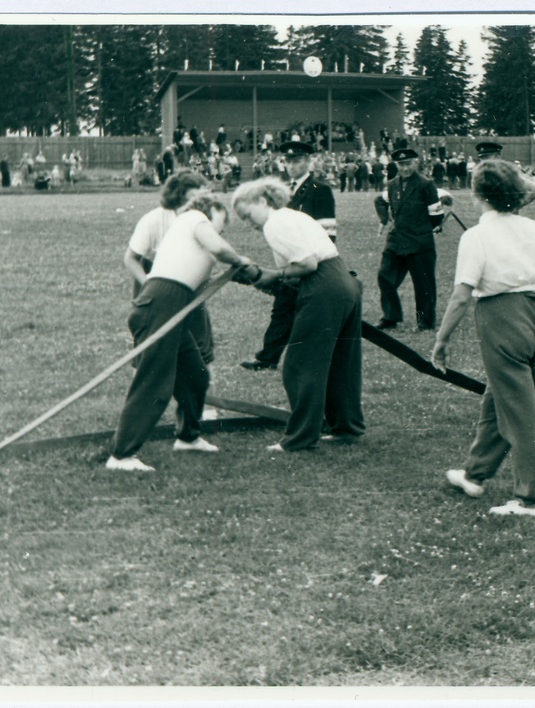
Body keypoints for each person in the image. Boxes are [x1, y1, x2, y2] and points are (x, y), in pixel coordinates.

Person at [431, 159, 535, 518]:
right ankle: (475, 473)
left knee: (520, 412)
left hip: (500, 318)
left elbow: (462, 296)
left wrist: (442, 340)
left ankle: (532, 498)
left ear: (478, 194)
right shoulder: (532, 226)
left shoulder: (476, 236)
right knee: (500, 399)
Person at [106, 192, 253, 472]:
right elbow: (222, 250)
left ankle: (188, 437)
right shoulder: (194, 217)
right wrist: (239, 260)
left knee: (195, 376)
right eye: (220, 224)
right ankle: (121, 455)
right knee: (154, 382)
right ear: (208, 210)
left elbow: (200, 284)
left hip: (176, 308)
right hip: (160, 303)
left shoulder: (195, 246)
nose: (220, 231)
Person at [231, 177, 365, 451]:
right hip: (343, 280)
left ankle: (301, 437)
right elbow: (297, 274)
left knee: (301, 365)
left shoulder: (274, 223)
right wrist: (266, 279)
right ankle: (346, 428)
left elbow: (306, 263)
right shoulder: (294, 216)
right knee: (341, 364)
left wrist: (273, 275)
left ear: (262, 201)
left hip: (323, 285)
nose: (250, 223)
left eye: (248, 215)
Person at [241, 141, 337, 371]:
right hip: (296, 261)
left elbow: (328, 231)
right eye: (289, 161)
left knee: (296, 312)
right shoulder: (283, 189)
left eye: (297, 161)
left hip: (311, 261)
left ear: (308, 162)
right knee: (283, 308)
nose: (292, 166)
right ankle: (267, 358)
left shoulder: (319, 189)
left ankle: (270, 358)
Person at [373, 148, 441, 331]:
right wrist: (384, 218)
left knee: (423, 284)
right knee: (385, 277)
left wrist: (428, 227)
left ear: (416, 163)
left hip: (419, 242)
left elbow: (436, 214)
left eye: (409, 163)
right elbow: (380, 201)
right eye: (401, 164)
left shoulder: (426, 184)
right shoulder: (392, 184)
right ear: (396, 165)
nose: (405, 168)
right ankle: (390, 317)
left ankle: (425, 322)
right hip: (396, 240)